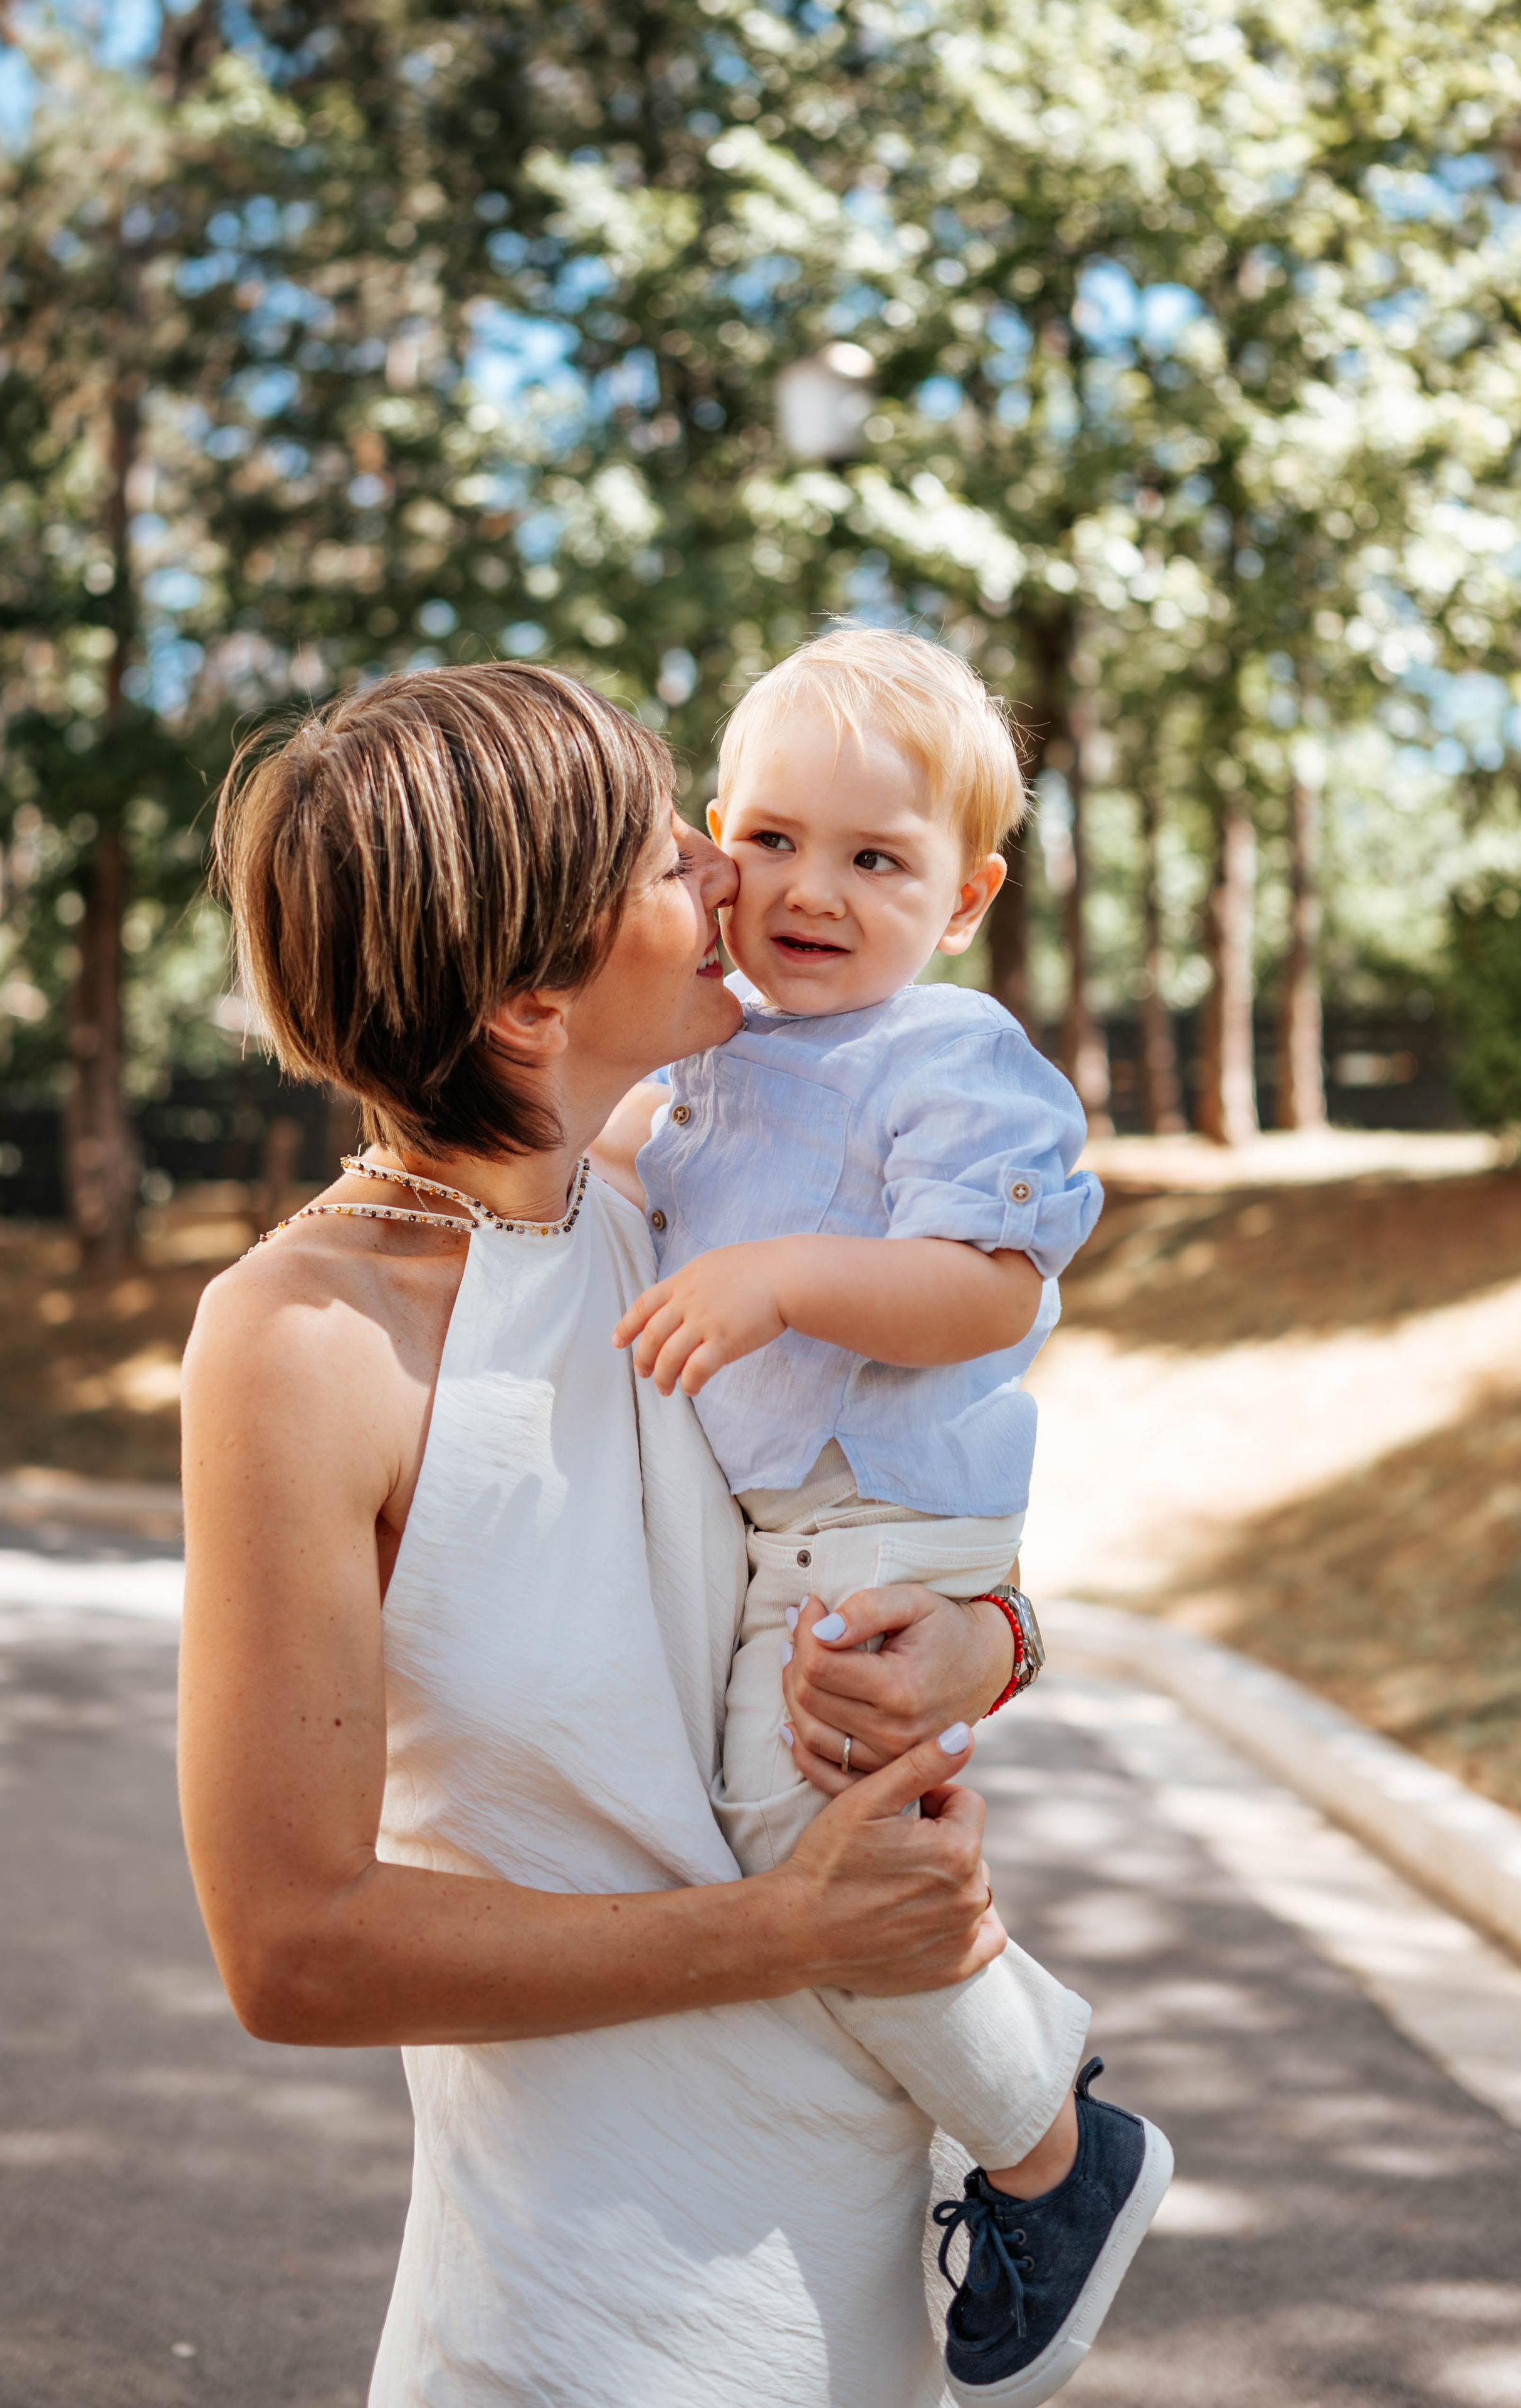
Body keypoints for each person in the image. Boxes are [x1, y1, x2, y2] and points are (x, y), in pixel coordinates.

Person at [179, 661, 1045, 2408]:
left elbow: (881, 1521)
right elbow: (292, 1944)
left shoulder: (677, 1224)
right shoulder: (302, 1340)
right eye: (666, 860)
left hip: (864, 2228)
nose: (728, 873)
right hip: (582, 2307)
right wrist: (789, 1929)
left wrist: (995, 1641)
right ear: (525, 1005)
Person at [599, 628, 1172, 2403]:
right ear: (709, 839)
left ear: (968, 893)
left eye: (878, 858)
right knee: (779, 1810)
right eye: (769, 839)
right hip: (792, 1521)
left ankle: (1047, 2151)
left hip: (887, 1510)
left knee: (800, 1824)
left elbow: (990, 1290)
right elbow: (613, 1164)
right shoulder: (714, 1059)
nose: (812, 890)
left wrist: (787, 1275)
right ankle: (992, 2071)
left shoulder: (952, 1048)